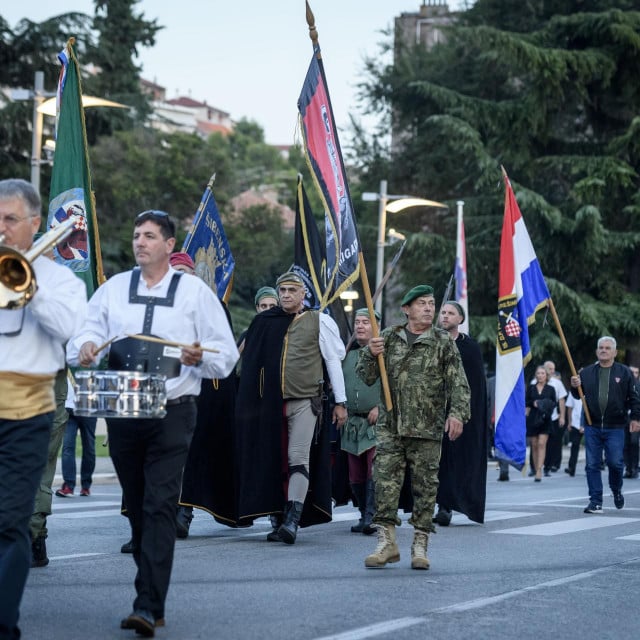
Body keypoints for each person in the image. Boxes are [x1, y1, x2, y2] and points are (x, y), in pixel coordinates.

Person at [67, 210, 239, 637]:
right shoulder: (113, 289)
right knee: (138, 505)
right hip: (124, 408)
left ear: (168, 244)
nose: (140, 242)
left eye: (149, 236)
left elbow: (226, 353)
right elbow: (83, 333)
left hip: (173, 409)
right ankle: (148, 591)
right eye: (136, 234)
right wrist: (86, 345)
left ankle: (148, 604)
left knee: (161, 504)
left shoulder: (194, 293)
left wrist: (202, 357)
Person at [0, 179, 87, 639]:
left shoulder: (61, 281)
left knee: (10, 520)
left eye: (10, 220)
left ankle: (4, 624)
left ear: (35, 224)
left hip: (28, 411)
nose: (1, 229)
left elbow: (69, 329)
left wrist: (27, 285)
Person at [357, 285, 470, 570]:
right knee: (384, 485)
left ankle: (420, 544)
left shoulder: (443, 341)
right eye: (422, 303)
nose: (429, 308)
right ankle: (386, 542)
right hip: (391, 427)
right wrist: (370, 353)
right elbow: (366, 377)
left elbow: (458, 382)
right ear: (406, 309)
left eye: (431, 303)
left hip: (427, 429)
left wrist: (457, 414)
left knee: (425, 488)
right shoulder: (388, 338)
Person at [235, 271, 347, 544]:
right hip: (270, 405)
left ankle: (292, 520)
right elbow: (248, 364)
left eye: (291, 290)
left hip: (305, 402)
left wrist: (341, 401)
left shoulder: (318, 320)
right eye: (282, 290)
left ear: (302, 294)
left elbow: (335, 358)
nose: (285, 294)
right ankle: (277, 516)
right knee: (273, 459)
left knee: (298, 457)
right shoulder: (264, 322)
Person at [570, 336, 640, 514]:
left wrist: (635, 419)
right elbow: (578, 395)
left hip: (615, 426)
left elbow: (634, 398)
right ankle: (596, 501)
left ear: (615, 352)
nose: (604, 350)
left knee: (615, 463)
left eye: (608, 348)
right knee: (592, 464)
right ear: (596, 351)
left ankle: (616, 491)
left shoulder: (625, 373)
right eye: (601, 347)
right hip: (592, 425)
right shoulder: (586, 373)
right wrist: (574, 385)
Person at [434, 301, 488, 525]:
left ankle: (450, 505)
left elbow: (476, 386)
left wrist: (464, 414)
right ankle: (439, 505)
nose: (445, 316)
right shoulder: (431, 342)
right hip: (434, 412)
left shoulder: (469, 347)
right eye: (443, 312)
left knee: (458, 460)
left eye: (451, 313)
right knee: (437, 460)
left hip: (461, 414)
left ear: (460, 319)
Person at [341, 308, 380, 535]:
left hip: (374, 422)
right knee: (355, 474)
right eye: (357, 322)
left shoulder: (384, 355)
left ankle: (371, 516)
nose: (360, 326)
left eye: (366, 322)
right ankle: (363, 512)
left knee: (373, 470)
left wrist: (381, 407)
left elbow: (394, 387)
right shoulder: (348, 355)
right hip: (351, 422)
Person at [55, 374, 97, 497]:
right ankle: (69, 485)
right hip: (69, 407)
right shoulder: (67, 357)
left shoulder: (92, 357)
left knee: (89, 447)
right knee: (67, 447)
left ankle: (86, 486)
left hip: (89, 407)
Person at [526, 365, 556, 482]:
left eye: (542, 373)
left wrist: (544, 404)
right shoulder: (531, 388)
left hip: (545, 419)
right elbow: (526, 401)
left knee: (542, 443)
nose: (540, 375)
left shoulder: (551, 389)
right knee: (534, 444)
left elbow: (554, 403)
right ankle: (535, 467)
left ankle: (539, 470)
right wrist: (533, 403)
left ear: (546, 375)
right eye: (538, 373)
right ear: (536, 375)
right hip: (533, 418)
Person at [542, 360, 567, 475]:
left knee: (554, 442)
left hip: (553, 417)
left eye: (553, 369)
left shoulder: (557, 383)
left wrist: (562, 416)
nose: (552, 371)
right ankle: (536, 466)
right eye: (550, 369)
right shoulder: (535, 382)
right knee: (539, 442)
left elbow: (561, 400)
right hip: (539, 418)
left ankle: (551, 465)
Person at [236, 286, 278, 353]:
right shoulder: (247, 335)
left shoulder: (285, 334)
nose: (268, 310)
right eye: (264, 306)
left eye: (272, 306)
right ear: (257, 308)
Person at [623, 365, 640, 478]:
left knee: (634, 442)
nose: (633, 374)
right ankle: (628, 468)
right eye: (631, 372)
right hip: (624, 418)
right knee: (625, 444)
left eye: (635, 372)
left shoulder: (638, 386)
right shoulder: (623, 385)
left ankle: (634, 467)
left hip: (636, 418)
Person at [564, 393, 584, 476]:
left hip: (590, 423)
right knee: (574, 445)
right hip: (575, 422)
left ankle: (591, 468)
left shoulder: (591, 388)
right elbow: (569, 407)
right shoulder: (573, 392)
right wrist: (569, 422)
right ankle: (571, 468)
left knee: (592, 446)